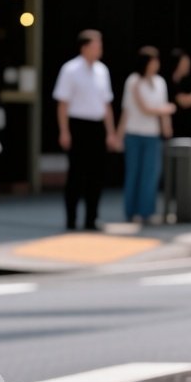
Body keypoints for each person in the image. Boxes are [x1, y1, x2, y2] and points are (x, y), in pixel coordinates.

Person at [53, 29, 116, 231]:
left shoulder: (102, 71)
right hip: (78, 125)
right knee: (76, 175)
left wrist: (111, 132)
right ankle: (71, 219)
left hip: (97, 126)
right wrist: (64, 131)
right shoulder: (70, 69)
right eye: (96, 45)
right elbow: (62, 103)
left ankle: (91, 218)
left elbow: (107, 105)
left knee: (96, 175)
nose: (100, 49)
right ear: (85, 47)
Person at [119, 47, 175, 224]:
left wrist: (166, 125)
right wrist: (118, 135)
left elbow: (163, 109)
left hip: (152, 134)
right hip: (134, 133)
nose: (156, 64)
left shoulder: (160, 82)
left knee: (150, 175)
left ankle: (146, 212)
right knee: (133, 173)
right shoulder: (134, 81)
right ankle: (131, 211)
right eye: (153, 61)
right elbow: (131, 110)